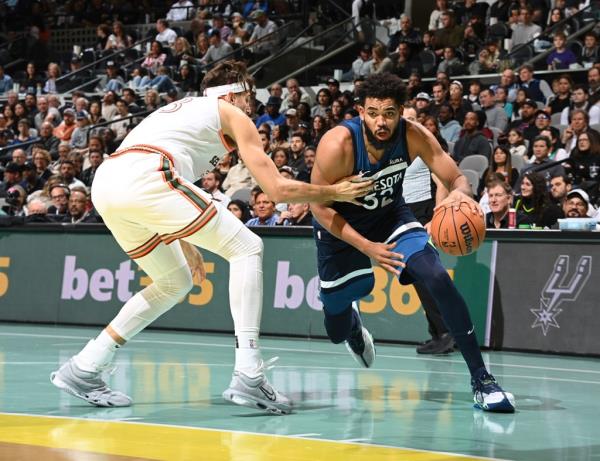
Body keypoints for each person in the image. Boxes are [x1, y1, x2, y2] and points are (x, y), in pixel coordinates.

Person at [50, 61, 372, 415]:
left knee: (174, 281)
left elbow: (163, 182)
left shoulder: (188, 114)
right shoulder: (231, 114)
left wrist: (183, 241)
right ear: (233, 93)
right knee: (247, 247)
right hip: (146, 176)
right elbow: (277, 191)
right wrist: (335, 191)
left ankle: (85, 366)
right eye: (249, 97)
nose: (253, 107)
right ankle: (249, 372)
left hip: (109, 184)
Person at [310, 73, 515, 412]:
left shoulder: (413, 135)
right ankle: (353, 329)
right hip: (340, 229)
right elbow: (318, 207)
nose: (381, 121)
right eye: (373, 112)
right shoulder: (338, 145)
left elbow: (457, 177)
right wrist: (366, 247)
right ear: (361, 111)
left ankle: (482, 379)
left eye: (389, 113)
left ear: (401, 111)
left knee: (436, 277)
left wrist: (458, 196)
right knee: (335, 327)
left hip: (391, 215)